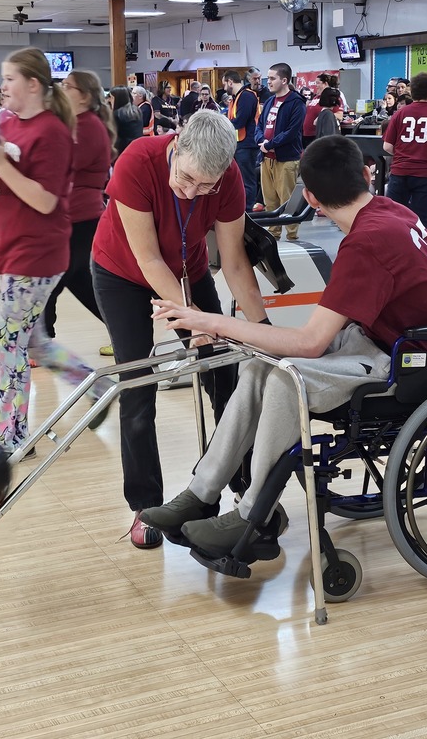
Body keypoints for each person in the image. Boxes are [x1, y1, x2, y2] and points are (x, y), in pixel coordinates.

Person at [139, 134, 427, 557]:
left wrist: (211, 321)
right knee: (258, 365)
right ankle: (202, 491)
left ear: (310, 198)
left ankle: (254, 513)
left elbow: (309, 344)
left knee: (287, 378)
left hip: (407, 363)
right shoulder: (390, 212)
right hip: (383, 340)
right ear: (366, 174)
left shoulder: (367, 242)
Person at [90, 111, 268, 549]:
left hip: (188, 272)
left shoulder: (228, 181)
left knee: (224, 374)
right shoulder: (138, 160)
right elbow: (148, 260)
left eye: (205, 186)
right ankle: (145, 504)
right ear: (177, 144)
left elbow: (234, 262)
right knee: (138, 386)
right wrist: (193, 320)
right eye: (186, 178)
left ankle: (245, 489)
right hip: (124, 275)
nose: (192, 192)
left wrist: (262, 329)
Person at [0, 47, 108, 459]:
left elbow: (45, 201)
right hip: (11, 246)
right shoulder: (7, 121)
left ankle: (9, 435)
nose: (3, 86)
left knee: (7, 344)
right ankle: (96, 384)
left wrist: (0, 164)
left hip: (37, 253)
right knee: (33, 344)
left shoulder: (53, 133)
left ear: (32, 84)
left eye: (10, 78)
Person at [42, 70, 113, 340]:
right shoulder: (77, 123)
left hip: (81, 218)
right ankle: (125, 330)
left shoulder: (88, 127)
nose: (62, 89)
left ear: (84, 96)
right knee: (78, 280)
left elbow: (60, 164)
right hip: (74, 216)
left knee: (50, 279)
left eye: (67, 86)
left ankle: (42, 339)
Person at [382, 72, 427, 231]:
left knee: (394, 215)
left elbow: (387, 146)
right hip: (426, 173)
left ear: (411, 91)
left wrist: (403, 155)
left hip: (400, 171)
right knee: (420, 217)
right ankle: (421, 251)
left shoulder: (400, 113)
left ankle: (396, 249)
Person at [255, 62, 306, 238]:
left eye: (272, 78)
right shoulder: (269, 101)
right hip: (266, 159)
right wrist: (260, 140)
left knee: (287, 201)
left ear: (284, 80)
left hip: (285, 160)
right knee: (270, 200)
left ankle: (292, 236)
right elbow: (259, 125)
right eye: (267, 78)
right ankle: (273, 234)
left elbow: (292, 132)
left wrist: (269, 144)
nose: (267, 82)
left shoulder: (296, 102)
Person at [222, 69, 261, 210]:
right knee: (242, 180)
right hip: (240, 144)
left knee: (247, 180)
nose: (224, 88)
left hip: (247, 145)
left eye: (224, 84)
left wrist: (221, 125)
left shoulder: (246, 96)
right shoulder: (238, 97)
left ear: (230, 81)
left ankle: (248, 210)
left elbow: (239, 121)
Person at [109, 86, 143, 156]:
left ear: (118, 99)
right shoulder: (136, 110)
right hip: (137, 148)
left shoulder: (117, 114)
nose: (109, 100)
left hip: (122, 151)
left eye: (112, 98)